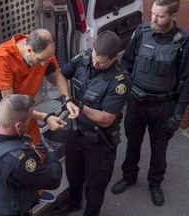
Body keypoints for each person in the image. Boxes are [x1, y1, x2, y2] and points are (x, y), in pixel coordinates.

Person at [111, 0, 189, 207]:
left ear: (173, 16)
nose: (154, 19)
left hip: (163, 105)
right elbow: (126, 65)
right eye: (153, 13)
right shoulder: (141, 31)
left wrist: (178, 114)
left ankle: (155, 183)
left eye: (160, 16)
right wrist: (121, 98)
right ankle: (129, 176)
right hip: (136, 102)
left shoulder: (184, 42)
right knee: (133, 143)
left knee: (159, 148)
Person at [53, 31, 131, 216]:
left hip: (99, 142)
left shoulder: (120, 81)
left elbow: (107, 118)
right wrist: (68, 98)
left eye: (101, 62)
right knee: (73, 173)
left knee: (96, 185)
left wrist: (80, 106)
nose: (95, 63)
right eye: (94, 57)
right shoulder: (84, 58)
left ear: (113, 58)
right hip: (76, 132)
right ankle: (73, 203)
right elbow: (59, 75)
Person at [0, 28, 79, 148]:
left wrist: (67, 99)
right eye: (40, 60)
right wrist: (45, 117)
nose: (43, 64)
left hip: (26, 110)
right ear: (29, 50)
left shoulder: (43, 50)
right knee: (13, 152)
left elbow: (56, 76)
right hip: (2, 115)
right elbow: (11, 105)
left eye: (46, 60)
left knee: (34, 148)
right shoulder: (3, 58)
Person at [0, 94, 62, 216]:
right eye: (30, 119)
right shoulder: (18, 161)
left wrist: (0, 96)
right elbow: (54, 178)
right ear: (18, 126)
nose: (30, 122)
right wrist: (51, 152)